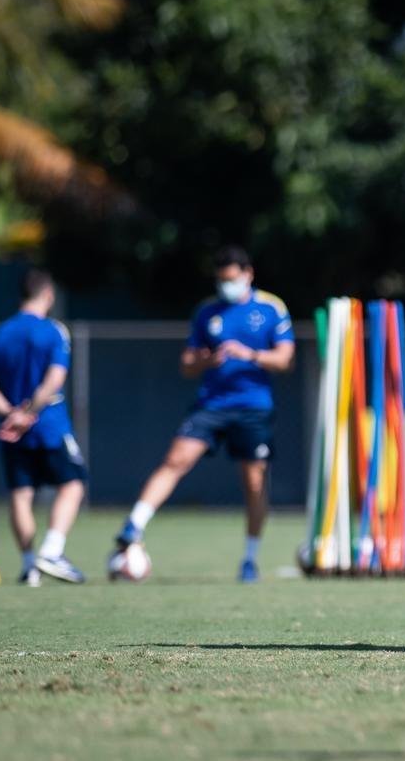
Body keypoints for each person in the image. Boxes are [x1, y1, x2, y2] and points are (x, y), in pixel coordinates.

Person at [112, 246, 295, 582]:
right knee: (176, 459)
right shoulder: (207, 312)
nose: (226, 286)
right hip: (211, 404)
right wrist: (208, 361)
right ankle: (132, 526)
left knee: (253, 482)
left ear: (248, 274)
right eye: (221, 280)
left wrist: (250, 354)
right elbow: (186, 364)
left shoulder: (271, 308)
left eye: (232, 279)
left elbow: (285, 359)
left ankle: (250, 558)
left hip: (253, 407)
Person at [0, 269, 88, 586]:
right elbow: (54, 379)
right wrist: (29, 412)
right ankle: (52, 551)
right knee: (73, 484)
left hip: (12, 429)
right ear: (48, 294)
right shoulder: (53, 331)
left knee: (21, 494)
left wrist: (11, 414)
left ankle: (29, 567)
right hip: (48, 425)